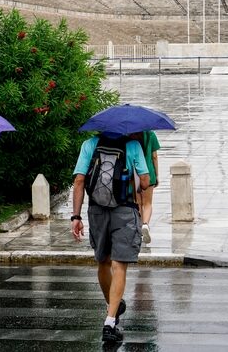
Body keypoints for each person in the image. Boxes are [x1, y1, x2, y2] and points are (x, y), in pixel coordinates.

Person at [71, 132, 150, 343]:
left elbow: (79, 181)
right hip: (125, 210)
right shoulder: (133, 145)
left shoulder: (89, 144)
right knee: (119, 265)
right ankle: (110, 320)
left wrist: (76, 216)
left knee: (103, 261)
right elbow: (145, 182)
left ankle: (112, 305)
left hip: (96, 210)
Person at [132, 131, 160, 244]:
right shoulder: (151, 134)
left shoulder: (129, 135)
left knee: (138, 202)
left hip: (134, 174)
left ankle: (139, 227)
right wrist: (157, 175)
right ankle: (145, 225)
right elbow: (154, 156)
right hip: (149, 173)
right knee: (147, 203)